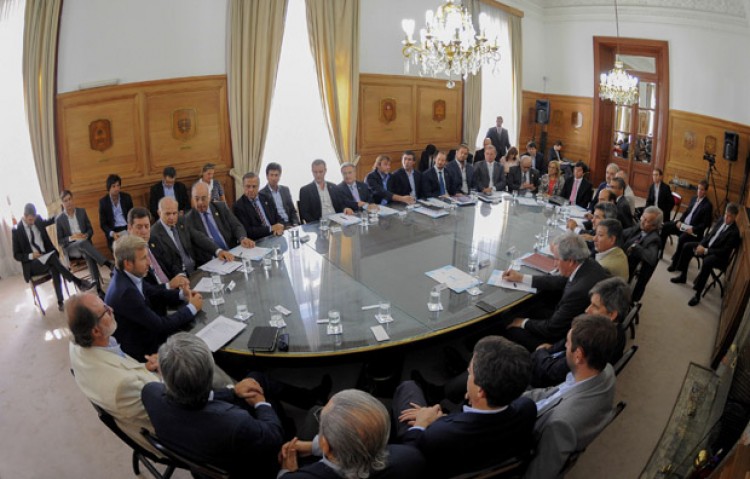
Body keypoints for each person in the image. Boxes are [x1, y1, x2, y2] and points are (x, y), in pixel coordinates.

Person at [141, 333, 286, 479]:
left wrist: (232, 392)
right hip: (250, 469)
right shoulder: (236, 421)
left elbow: (189, 397)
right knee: (258, 385)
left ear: (163, 375)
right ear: (211, 374)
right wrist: (261, 403)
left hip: (200, 461)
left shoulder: (150, 393)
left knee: (255, 378)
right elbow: (273, 437)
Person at [393, 336, 536, 478]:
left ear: (480, 392)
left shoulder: (438, 434)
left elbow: (410, 459)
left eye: (470, 373)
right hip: (488, 457)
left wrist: (420, 424)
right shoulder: (527, 408)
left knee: (408, 387)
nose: (467, 373)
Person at [523, 315, 618, 479]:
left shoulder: (561, 424)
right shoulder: (606, 370)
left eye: (567, 342)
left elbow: (539, 474)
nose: (565, 346)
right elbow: (554, 392)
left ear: (578, 355)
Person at [67, 292, 160, 454]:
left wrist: (143, 368)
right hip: (164, 435)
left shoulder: (76, 344)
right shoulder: (122, 384)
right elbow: (166, 412)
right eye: (105, 311)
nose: (112, 309)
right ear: (96, 331)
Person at [278, 390, 426, 479]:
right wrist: (313, 447)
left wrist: (286, 471)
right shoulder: (410, 458)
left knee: (312, 412)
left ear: (325, 445)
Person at [503, 233, 610, 351]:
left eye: (557, 259)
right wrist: (521, 278)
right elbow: (559, 281)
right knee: (533, 309)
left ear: (570, 261)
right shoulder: (588, 264)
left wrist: (523, 322)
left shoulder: (577, 292)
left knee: (512, 331)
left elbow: (552, 329)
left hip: (563, 338)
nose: (555, 264)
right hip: (567, 318)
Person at [106, 235, 201, 361]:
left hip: (148, 334)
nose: (149, 263)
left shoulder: (127, 274)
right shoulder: (126, 292)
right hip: (144, 352)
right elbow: (160, 326)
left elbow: (154, 293)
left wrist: (182, 294)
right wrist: (192, 308)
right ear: (128, 264)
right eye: (143, 258)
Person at [530, 279, 630, 388]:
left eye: (595, 306)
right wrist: (551, 349)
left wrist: (541, 352)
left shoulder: (593, 341)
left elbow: (553, 371)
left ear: (612, 315)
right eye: (590, 303)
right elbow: (565, 343)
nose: (587, 310)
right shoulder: (613, 331)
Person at [13, 203, 95, 311]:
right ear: (24, 216)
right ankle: (78, 282)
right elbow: (16, 255)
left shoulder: (37, 219)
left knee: (54, 267)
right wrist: (30, 255)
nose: (32, 222)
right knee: (53, 258)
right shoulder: (16, 230)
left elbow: (50, 220)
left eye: (34, 219)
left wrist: (62, 213)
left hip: (46, 257)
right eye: (30, 220)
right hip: (32, 264)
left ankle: (60, 302)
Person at [669, 203, 741, 306]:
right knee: (687, 246)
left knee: (707, 262)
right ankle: (683, 276)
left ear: (735, 217)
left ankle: (697, 295)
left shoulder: (734, 232)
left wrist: (705, 251)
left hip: (718, 257)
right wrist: (701, 245)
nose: (726, 217)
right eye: (726, 214)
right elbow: (709, 235)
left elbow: (724, 251)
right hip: (707, 246)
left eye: (729, 216)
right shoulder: (721, 220)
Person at [126, 208, 189, 314]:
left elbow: (171, 263)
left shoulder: (153, 240)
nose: (144, 231)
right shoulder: (128, 256)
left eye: (147, 226)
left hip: (175, 293)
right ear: (129, 228)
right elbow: (146, 292)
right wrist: (170, 285)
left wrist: (180, 276)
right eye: (139, 227)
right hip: (158, 306)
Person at [150, 197, 233, 278]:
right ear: (159, 212)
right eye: (167, 214)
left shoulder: (181, 220)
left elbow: (198, 237)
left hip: (195, 269)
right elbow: (165, 263)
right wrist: (181, 276)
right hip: (178, 276)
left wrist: (218, 251)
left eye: (174, 213)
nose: (171, 217)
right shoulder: (154, 234)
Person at [56, 190, 114, 293]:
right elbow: (60, 241)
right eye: (65, 201)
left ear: (72, 199)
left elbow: (90, 230)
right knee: (82, 244)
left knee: (87, 253)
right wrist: (72, 237)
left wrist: (86, 235)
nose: (68, 202)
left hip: (85, 245)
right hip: (71, 248)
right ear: (62, 203)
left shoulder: (81, 212)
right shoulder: (59, 219)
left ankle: (98, 289)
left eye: (70, 199)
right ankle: (107, 263)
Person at [186, 182, 255, 262]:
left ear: (209, 197)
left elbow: (236, 225)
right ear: (192, 199)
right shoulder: (188, 219)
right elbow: (199, 243)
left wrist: (242, 238)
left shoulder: (221, 207)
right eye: (196, 199)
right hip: (212, 260)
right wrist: (218, 252)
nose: (200, 202)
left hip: (232, 253)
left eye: (203, 198)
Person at [660, 180, 713, 256]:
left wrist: (693, 229)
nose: (699, 191)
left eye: (702, 190)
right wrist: (680, 221)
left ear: (705, 191)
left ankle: (676, 258)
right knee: (665, 226)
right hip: (684, 225)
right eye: (698, 189)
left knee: (682, 238)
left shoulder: (708, 205)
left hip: (693, 230)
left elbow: (705, 224)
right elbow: (686, 212)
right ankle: (660, 251)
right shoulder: (694, 198)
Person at [622, 206, 663, 302]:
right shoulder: (640, 226)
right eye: (642, 217)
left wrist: (635, 247)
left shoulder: (654, 240)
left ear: (654, 226)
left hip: (627, 267)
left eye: (646, 220)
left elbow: (651, 258)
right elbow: (623, 233)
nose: (642, 221)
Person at [233, 172, 285, 240]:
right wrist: (271, 228)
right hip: (258, 241)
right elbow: (248, 231)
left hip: (275, 236)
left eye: (254, 186)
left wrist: (280, 227)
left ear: (258, 186)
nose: (251, 190)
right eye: (248, 186)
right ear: (243, 186)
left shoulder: (266, 197)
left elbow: (278, 217)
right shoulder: (238, 206)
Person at [99, 174, 133, 250]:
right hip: (114, 231)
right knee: (120, 249)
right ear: (109, 188)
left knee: (132, 247)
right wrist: (112, 233)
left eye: (118, 186)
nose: (116, 188)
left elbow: (132, 215)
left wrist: (130, 227)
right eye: (113, 186)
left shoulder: (126, 197)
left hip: (127, 227)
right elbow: (103, 224)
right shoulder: (103, 202)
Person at [260, 162, 300, 227]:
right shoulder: (262, 194)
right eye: (271, 175)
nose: (274, 178)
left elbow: (292, 210)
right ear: (267, 176)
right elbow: (267, 217)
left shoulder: (285, 190)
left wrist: (295, 224)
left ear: (280, 176)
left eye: (276, 175)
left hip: (290, 224)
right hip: (277, 226)